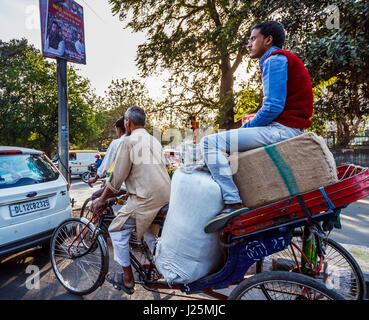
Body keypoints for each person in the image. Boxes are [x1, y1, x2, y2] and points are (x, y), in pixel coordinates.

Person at [200, 21, 313, 218]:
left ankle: (232, 202)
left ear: (268, 40)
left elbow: (273, 107)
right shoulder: (280, 59)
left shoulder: (274, 60)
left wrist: (247, 127)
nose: (249, 44)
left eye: (253, 39)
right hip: (287, 127)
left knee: (209, 143)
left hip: (283, 129)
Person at [91, 106, 171, 294]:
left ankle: (127, 278)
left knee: (116, 230)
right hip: (166, 195)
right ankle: (163, 267)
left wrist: (102, 200)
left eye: (124, 121)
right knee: (149, 233)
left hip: (145, 198)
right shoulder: (154, 140)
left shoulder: (128, 142)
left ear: (127, 122)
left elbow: (116, 180)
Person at [88, 117, 126, 199]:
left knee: (95, 197)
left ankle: (104, 210)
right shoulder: (139, 142)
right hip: (139, 187)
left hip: (122, 186)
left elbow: (106, 164)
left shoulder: (117, 143)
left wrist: (95, 178)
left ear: (118, 129)